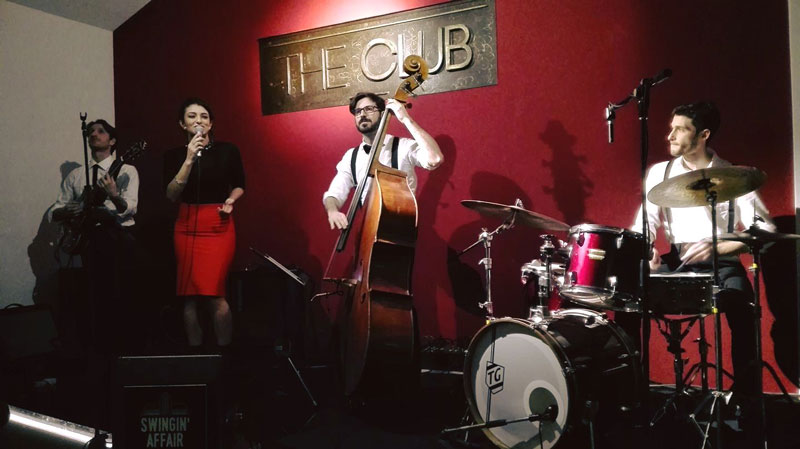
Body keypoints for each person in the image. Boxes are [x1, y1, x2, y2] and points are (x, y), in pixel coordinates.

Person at [630, 101, 775, 434]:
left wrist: (722, 245)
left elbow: (765, 228)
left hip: (722, 262)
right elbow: (645, 223)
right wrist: (647, 250)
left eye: (681, 129)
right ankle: (633, 393)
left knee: (743, 310)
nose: (670, 135)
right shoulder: (660, 173)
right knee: (627, 295)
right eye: (672, 127)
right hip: (678, 260)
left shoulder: (732, 175)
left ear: (703, 135)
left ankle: (745, 402)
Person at [50, 119, 139, 353]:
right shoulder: (77, 175)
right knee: (89, 298)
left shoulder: (127, 170)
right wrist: (67, 211)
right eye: (90, 131)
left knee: (119, 296)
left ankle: (121, 349)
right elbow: (55, 210)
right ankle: (93, 349)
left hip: (118, 239)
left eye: (101, 131)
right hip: (88, 242)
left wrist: (114, 195)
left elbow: (130, 208)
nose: (94, 134)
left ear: (113, 141)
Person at [164, 98, 245, 350]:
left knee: (214, 294)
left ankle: (224, 354)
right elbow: (171, 194)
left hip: (217, 225)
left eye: (204, 116)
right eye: (191, 116)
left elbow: (239, 184)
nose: (198, 120)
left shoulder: (228, 150)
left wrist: (230, 200)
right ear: (182, 124)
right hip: (186, 226)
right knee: (188, 296)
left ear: (210, 124)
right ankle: (195, 355)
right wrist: (189, 158)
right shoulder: (173, 156)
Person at [323, 92, 443, 229]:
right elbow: (334, 193)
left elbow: (435, 159)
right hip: (366, 232)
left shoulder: (403, 146)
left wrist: (406, 119)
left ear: (382, 113)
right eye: (358, 111)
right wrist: (332, 211)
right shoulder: (351, 156)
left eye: (369, 109)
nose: (362, 114)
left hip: (399, 229)